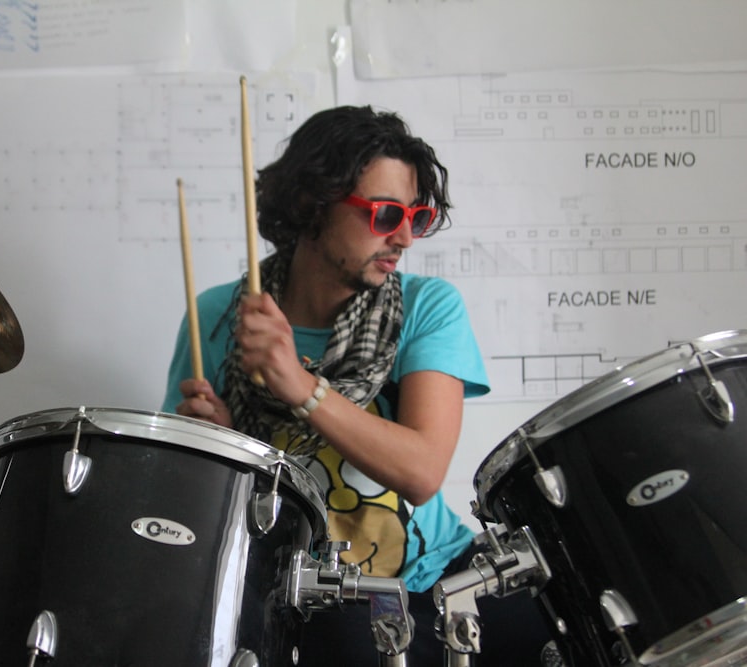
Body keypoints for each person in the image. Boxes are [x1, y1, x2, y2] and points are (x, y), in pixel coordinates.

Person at [162, 105, 552, 665]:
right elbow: (188, 514)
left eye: (414, 218)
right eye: (385, 214)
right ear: (309, 206)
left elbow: (421, 471)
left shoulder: (425, 307)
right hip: (303, 591)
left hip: (432, 576)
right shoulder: (219, 316)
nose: (403, 238)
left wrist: (301, 385)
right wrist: (222, 452)